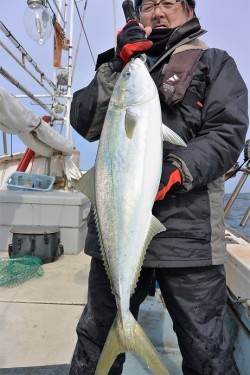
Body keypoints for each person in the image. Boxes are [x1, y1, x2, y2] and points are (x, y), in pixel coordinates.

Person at [69, 1, 248, 374]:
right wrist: (115, 65)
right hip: (116, 230)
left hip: (189, 239)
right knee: (95, 342)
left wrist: (180, 169)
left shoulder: (215, 62)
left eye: (168, 3)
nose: (158, 13)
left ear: (188, 10)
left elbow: (227, 132)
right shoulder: (121, 63)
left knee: (207, 352)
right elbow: (83, 121)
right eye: (149, 5)